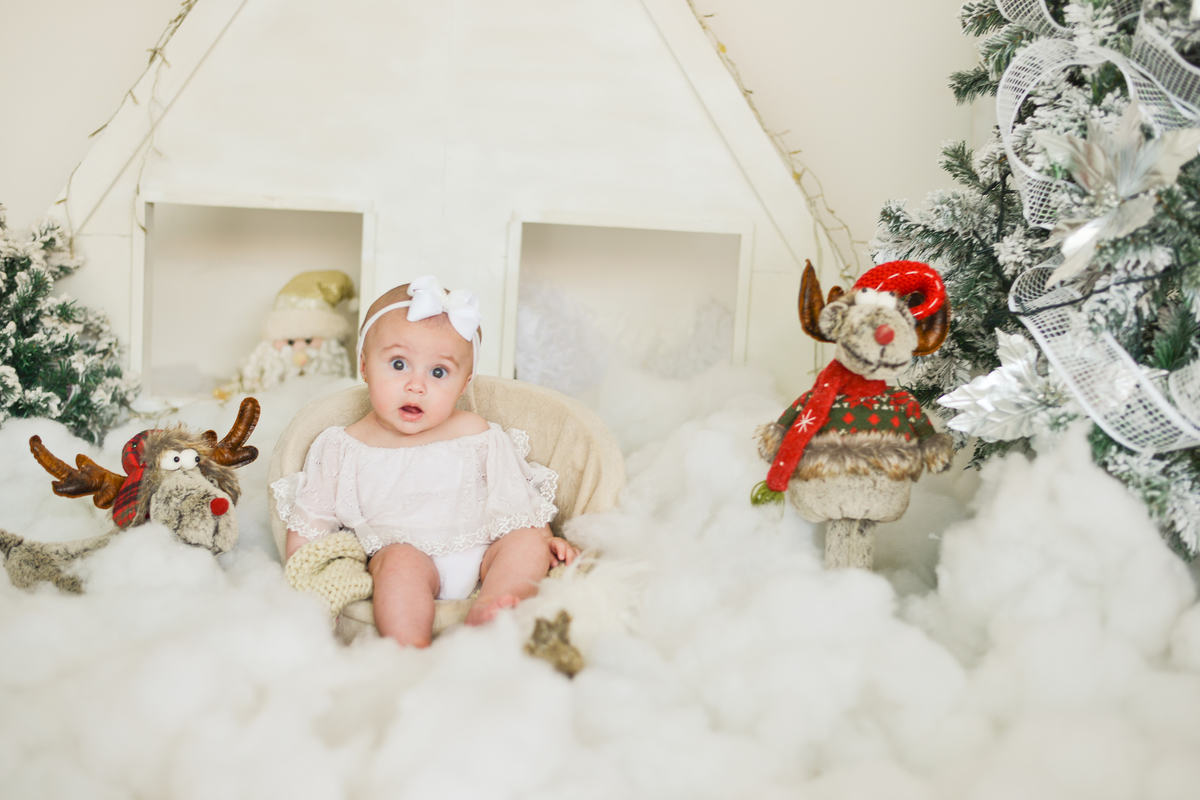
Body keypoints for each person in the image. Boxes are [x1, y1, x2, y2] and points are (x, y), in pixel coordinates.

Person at [272, 275, 577, 647]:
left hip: (484, 555)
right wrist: (310, 581)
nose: (416, 385)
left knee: (525, 542)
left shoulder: (476, 432)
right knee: (398, 563)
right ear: (365, 366)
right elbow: (312, 522)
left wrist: (545, 539)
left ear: (464, 384)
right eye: (399, 364)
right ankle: (410, 647)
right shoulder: (344, 445)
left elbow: (517, 500)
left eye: (438, 372)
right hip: (408, 558)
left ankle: (491, 607)